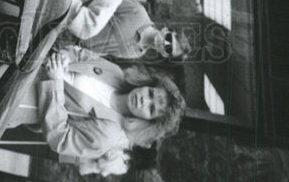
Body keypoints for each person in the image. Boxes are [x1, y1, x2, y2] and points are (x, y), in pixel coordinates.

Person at [33, 45, 185, 170]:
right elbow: (81, 54)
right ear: (148, 84)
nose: (143, 100)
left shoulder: (107, 135)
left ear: (148, 122)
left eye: (151, 109)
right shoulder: (116, 73)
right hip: (34, 59)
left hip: (23, 97)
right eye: (150, 93)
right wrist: (65, 56)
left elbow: (59, 139)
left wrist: (55, 82)